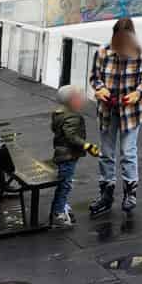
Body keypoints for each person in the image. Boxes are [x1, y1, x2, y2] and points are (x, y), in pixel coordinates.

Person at [89, 17, 142, 216]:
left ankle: (130, 193)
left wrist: (137, 93)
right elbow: (95, 78)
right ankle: (106, 194)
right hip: (108, 111)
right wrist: (99, 90)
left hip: (130, 112)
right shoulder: (102, 52)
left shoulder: (141, 53)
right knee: (106, 153)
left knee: (128, 151)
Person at [50, 85, 99, 227]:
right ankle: (58, 213)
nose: (82, 101)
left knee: (64, 183)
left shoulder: (59, 114)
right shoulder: (72, 116)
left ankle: (60, 206)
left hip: (61, 154)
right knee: (65, 185)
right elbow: (71, 136)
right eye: (79, 98)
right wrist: (87, 146)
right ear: (71, 101)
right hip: (67, 155)